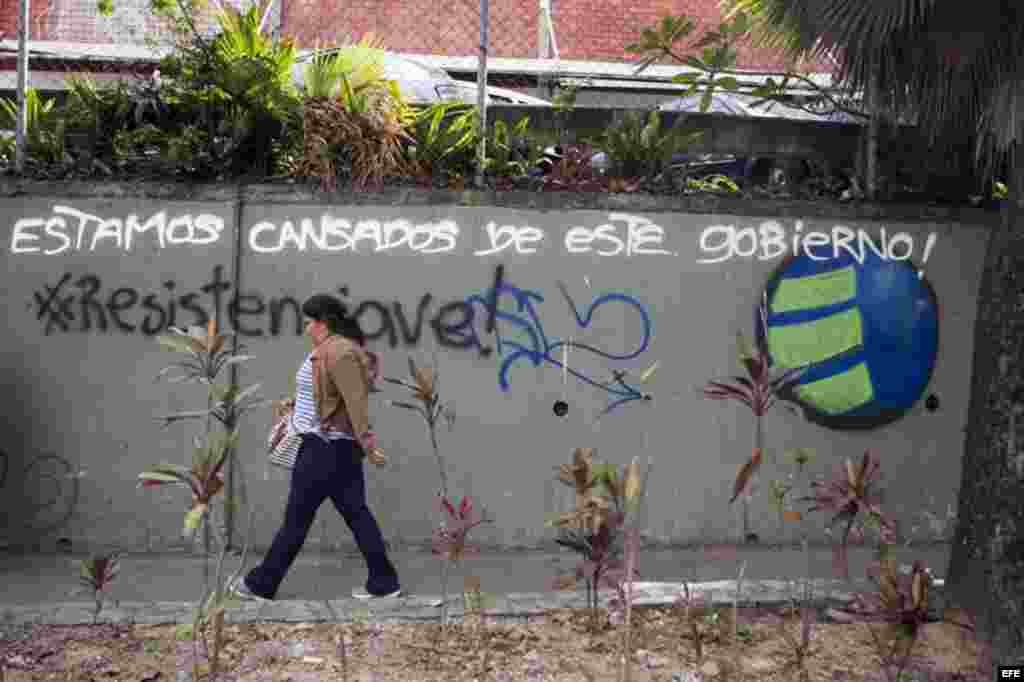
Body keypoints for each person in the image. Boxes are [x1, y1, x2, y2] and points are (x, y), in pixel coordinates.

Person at [231, 294, 401, 601]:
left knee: (297, 520)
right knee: (356, 514)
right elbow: (329, 397)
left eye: (309, 322)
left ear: (323, 322)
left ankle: (261, 584)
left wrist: (368, 444)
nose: (306, 328)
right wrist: (296, 404)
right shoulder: (329, 350)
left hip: (324, 449)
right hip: (334, 449)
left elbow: (355, 402)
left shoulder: (339, 352)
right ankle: (384, 581)